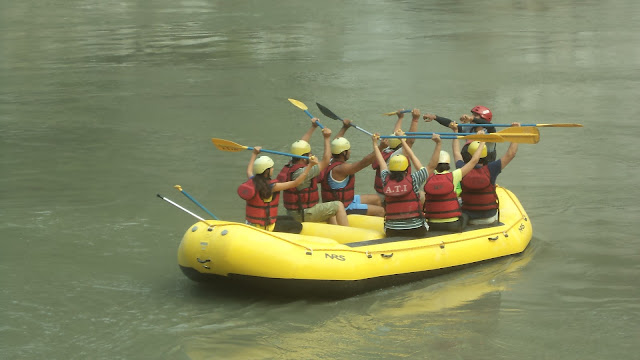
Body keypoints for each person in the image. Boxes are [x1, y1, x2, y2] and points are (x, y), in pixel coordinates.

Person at [276, 118, 349, 226]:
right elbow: (326, 160)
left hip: (294, 212)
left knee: (329, 208)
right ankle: (347, 233)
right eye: (309, 154)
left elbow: (301, 145)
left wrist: (313, 127)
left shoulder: (291, 164)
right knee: (338, 205)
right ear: (303, 158)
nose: (311, 155)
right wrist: (327, 138)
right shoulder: (304, 171)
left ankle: (335, 230)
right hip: (303, 214)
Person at [454, 123, 521, 225]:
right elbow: (511, 154)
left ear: (467, 155)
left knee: (457, 201)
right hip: (488, 216)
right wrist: (516, 132)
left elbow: (456, 152)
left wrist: (455, 131)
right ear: (485, 155)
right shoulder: (492, 168)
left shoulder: (462, 169)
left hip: (468, 215)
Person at [238, 147, 318, 231]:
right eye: (271, 168)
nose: (273, 169)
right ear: (267, 171)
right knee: (297, 226)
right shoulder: (272, 187)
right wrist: (310, 166)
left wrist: (254, 154)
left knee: (289, 219)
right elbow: (295, 183)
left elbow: (249, 171)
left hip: (251, 222)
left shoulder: (252, 181)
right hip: (264, 227)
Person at [422, 127, 486, 232]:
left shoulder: (426, 175)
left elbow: (456, 152)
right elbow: (474, 161)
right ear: (448, 164)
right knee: (465, 215)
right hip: (453, 225)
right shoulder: (454, 175)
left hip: (432, 224)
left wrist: (452, 134)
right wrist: (483, 141)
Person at [319, 119, 385, 217]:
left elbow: (336, 142)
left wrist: (345, 127)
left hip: (347, 200)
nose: (350, 152)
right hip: (343, 207)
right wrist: (380, 147)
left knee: (378, 199)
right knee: (382, 211)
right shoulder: (341, 169)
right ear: (344, 153)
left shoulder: (330, 159)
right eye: (348, 150)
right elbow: (363, 163)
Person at [371, 130, 431, 237]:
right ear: (406, 168)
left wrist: (375, 144)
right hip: (416, 229)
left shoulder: (385, 179)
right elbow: (412, 156)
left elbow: (382, 162)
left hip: (392, 231)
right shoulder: (414, 179)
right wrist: (403, 140)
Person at [372, 109, 421, 203]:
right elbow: (411, 141)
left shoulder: (385, 150)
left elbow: (395, 134)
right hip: (392, 193)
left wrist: (400, 118)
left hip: (382, 192)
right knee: (421, 196)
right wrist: (415, 119)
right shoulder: (397, 155)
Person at [423, 105, 498, 161]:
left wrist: (472, 118)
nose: (471, 117)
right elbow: (452, 124)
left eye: (475, 116)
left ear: (483, 119)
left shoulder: (490, 131)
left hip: (486, 164)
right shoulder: (469, 128)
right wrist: (435, 117)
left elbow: (491, 126)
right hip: (471, 162)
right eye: (472, 115)